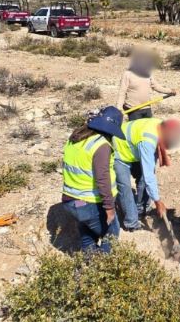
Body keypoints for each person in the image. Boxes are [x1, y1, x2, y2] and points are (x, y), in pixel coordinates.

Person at [61, 107, 122, 254]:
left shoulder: (76, 138)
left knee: (87, 233)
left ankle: (90, 265)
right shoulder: (100, 145)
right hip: (89, 203)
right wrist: (109, 208)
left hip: (70, 201)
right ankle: (104, 269)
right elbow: (102, 178)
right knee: (111, 233)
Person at [113, 116, 180, 230]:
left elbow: (148, 172)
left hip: (132, 147)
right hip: (118, 151)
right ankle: (131, 223)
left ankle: (142, 210)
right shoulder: (148, 141)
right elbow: (149, 175)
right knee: (125, 187)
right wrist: (158, 202)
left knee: (142, 180)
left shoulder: (161, 126)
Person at [116, 47, 176, 121]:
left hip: (147, 107)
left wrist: (170, 91)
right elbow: (122, 92)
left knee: (146, 130)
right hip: (133, 109)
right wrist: (118, 109)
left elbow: (156, 87)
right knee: (136, 130)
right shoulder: (127, 74)